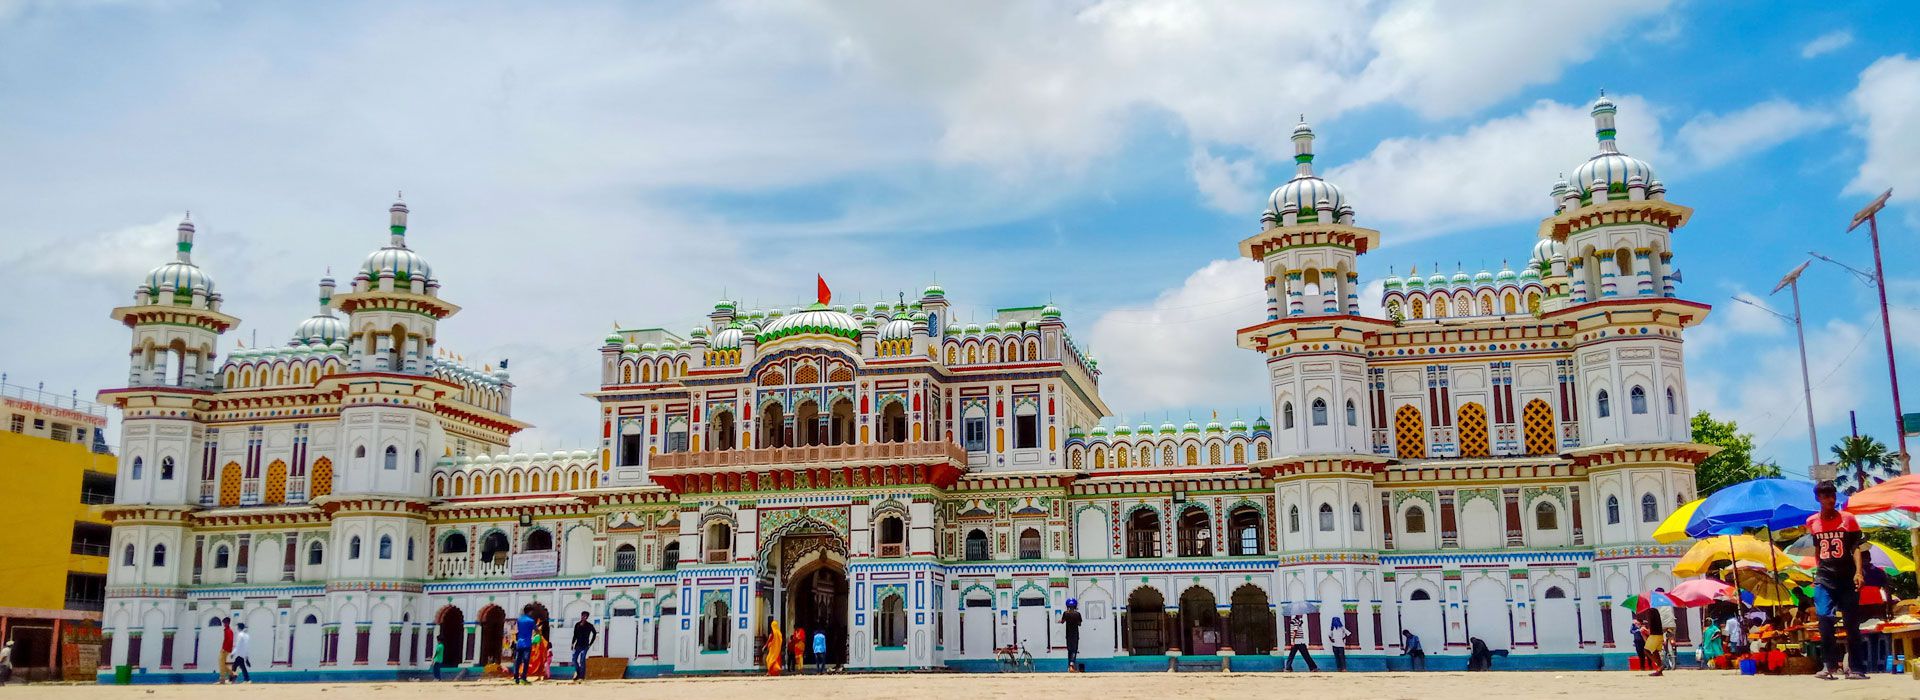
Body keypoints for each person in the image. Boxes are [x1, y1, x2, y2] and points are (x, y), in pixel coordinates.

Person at [1809, 480, 1870, 680]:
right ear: (1818, 498)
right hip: (1825, 577)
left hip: (1847, 578)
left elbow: (1855, 548)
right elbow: (1818, 549)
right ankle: (1829, 665)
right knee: (1824, 618)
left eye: (1833, 495)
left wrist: (1858, 573)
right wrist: (1818, 572)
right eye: (1826, 496)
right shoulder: (1812, 522)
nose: (1830, 499)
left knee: (1851, 624)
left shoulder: (1849, 519)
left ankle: (1856, 667)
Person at [1639, 608, 1665, 677]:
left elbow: (1651, 625)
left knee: (1646, 650)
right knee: (1655, 651)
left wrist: (1646, 631)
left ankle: (1660, 666)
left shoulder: (1650, 611)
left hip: (1654, 635)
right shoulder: (1655, 610)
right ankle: (1659, 671)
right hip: (1660, 635)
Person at [513, 606, 535, 684]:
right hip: (527, 644)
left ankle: (516, 676)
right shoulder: (531, 621)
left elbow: (516, 630)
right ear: (530, 612)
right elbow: (536, 630)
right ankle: (523, 677)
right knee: (526, 661)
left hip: (519, 643)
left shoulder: (519, 620)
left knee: (518, 660)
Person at [571, 611, 596, 682]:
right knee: (574, 659)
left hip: (585, 646)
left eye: (585, 616)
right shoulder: (577, 625)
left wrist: (590, 643)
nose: (584, 617)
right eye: (583, 616)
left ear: (587, 617)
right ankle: (578, 672)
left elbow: (594, 633)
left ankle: (582, 676)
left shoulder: (589, 625)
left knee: (582, 660)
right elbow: (575, 635)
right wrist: (572, 644)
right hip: (577, 645)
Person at [1061, 599, 1084, 673]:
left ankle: (1069, 666)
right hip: (1075, 635)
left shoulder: (1065, 613)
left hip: (1068, 634)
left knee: (1069, 650)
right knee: (1074, 650)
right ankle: (1071, 665)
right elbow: (1079, 624)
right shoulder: (1077, 614)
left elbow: (1062, 621)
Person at [218, 617, 234, 684]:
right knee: (221, 664)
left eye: (224, 623)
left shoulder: (229, 631)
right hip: (225, 649)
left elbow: (229, 641)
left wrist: (224, 649)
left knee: (221, 663)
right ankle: (232, 674)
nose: (224, 624)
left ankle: (222, 679)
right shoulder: (227, 630)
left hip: (225, 649)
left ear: (227, 623)